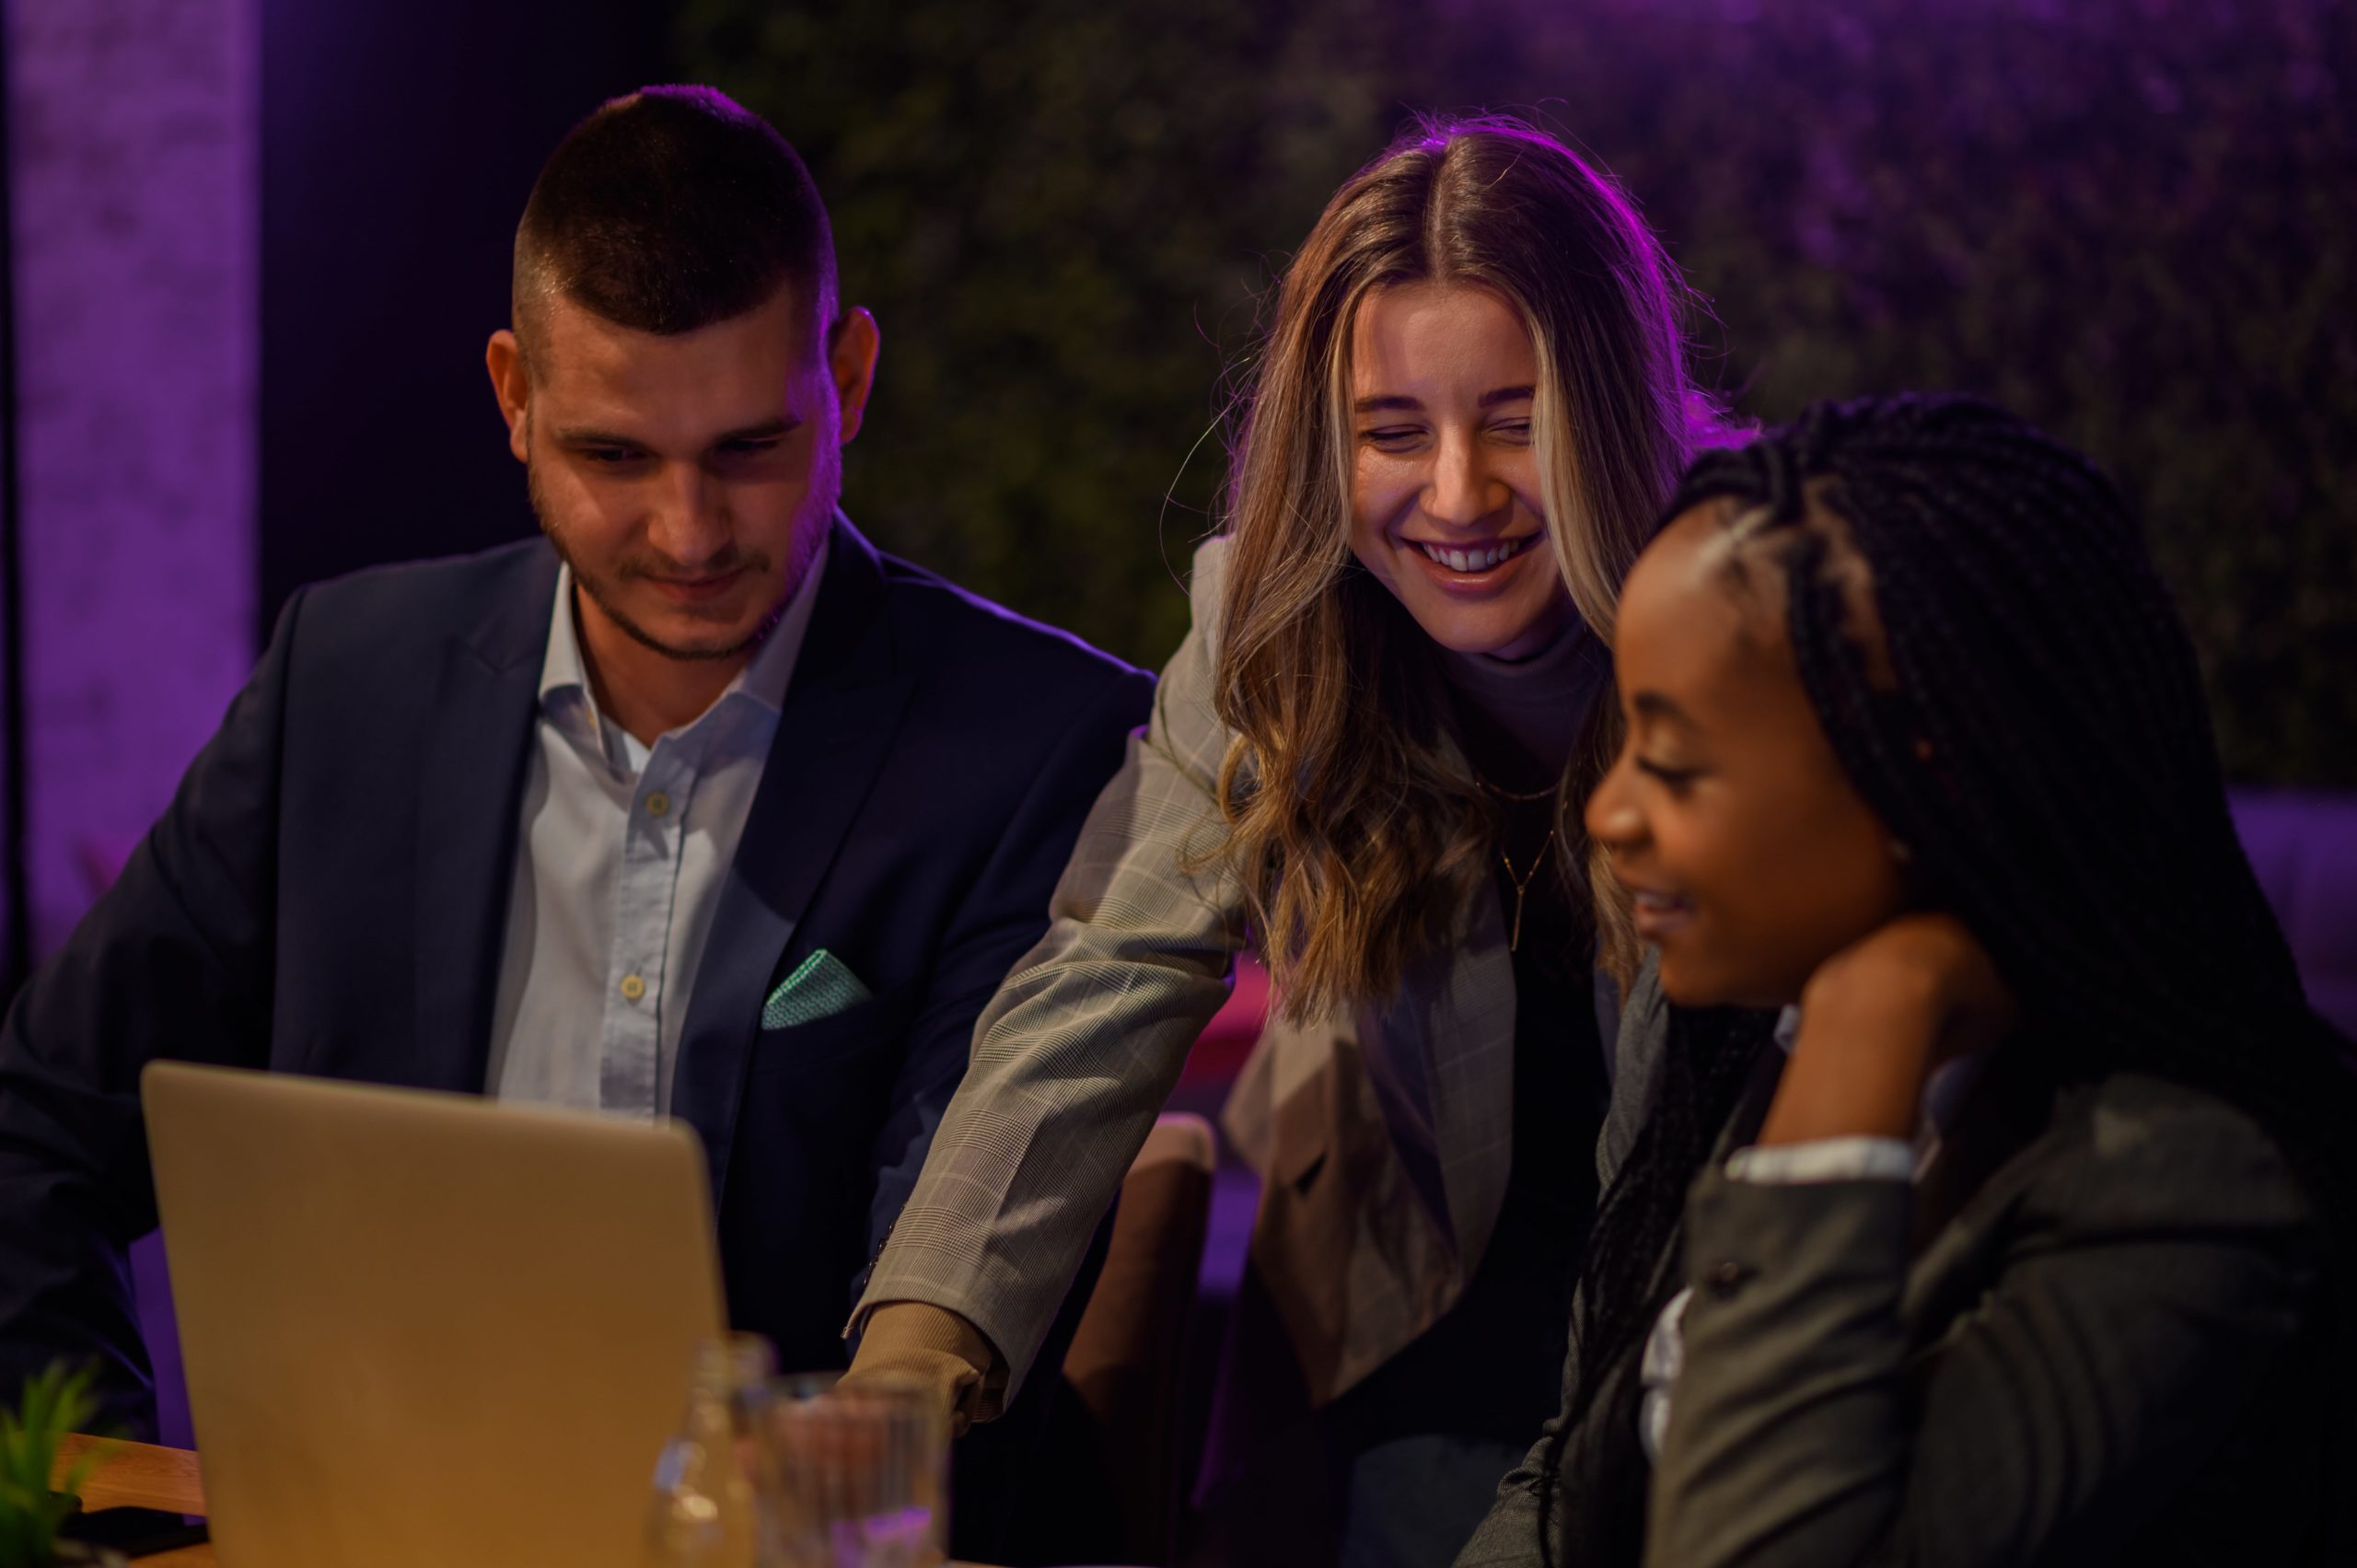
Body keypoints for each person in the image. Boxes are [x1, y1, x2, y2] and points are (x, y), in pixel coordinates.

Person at [0, 87, 1153, 1554]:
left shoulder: (1036, 746)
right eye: (615, 456)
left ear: (848, 380)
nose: (688, 533)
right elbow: (37, 1127)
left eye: (750, 447)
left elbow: (943, 1338)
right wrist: (105, 1519)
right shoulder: (342, 685)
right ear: (513, 398)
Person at [847, 116, 1722, 1564]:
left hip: (1706, 1290)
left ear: (1616, 408)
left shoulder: (1753, 613)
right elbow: (1100, 979)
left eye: (1517, 418)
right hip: (1414, 1294)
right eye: (1393, 432)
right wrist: (907, 1370)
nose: (1456, 493)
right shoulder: (1270, 625)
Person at [1456, 394, 2355, 1566]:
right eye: (1621, 738)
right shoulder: (1704, 1028)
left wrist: (1868, 1024)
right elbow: (1580, 1468)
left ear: (1918, 781)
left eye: (1672, 759)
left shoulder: (2184, 1188)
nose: (1607, 810)